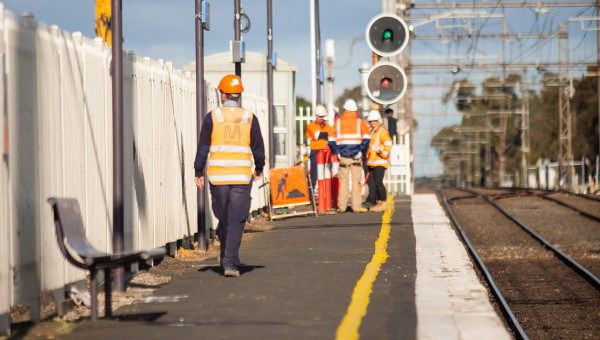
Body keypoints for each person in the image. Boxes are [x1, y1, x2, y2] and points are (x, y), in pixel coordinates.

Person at [194, 74, 265, 277]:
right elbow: (258, 147)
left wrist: (198, 170)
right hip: (242, 177)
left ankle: (230, 262)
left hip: (218, 178)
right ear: (239, 95)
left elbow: (203, 147)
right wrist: (259, 167)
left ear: (222, 94)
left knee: (227, 216)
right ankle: (228, 256)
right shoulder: (249, 117)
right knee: (233, 219)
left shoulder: (212, 117)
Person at [328, 99, 370, 213]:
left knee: (343, 182)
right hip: (356, 156)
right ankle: (356, 206)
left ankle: (341, 206)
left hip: (343, 157)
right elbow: (367, 138)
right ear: (355, 110)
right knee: (356, 182)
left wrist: (337, 152)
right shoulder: (360, 122)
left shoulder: (338, 123)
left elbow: (330, 140)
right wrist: (361, 151)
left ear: (345, 109)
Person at [365, 110, 392, 212]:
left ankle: (383, 202)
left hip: (380, 161)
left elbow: (388, 143)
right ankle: (378, 202)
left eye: (375, 121)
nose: (373, 123)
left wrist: (383, 154)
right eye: (371, 121)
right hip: (373, 161)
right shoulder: (373, 131)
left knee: (378, 182)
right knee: (375, 183)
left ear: (378, 121)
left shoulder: (381, 131)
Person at [305, 104, 332, 197]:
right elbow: (317, 135)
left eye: (323, 116)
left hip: (327, 152)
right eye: (320, 116)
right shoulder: (310, 126)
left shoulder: (328, 126)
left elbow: (331, 135)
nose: (321, 118)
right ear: (316, 116)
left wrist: (323, 134)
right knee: (314, 175)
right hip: (316, 152)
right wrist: (325, 135)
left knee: (328, 174)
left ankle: (330, 196)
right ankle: (310, 196)